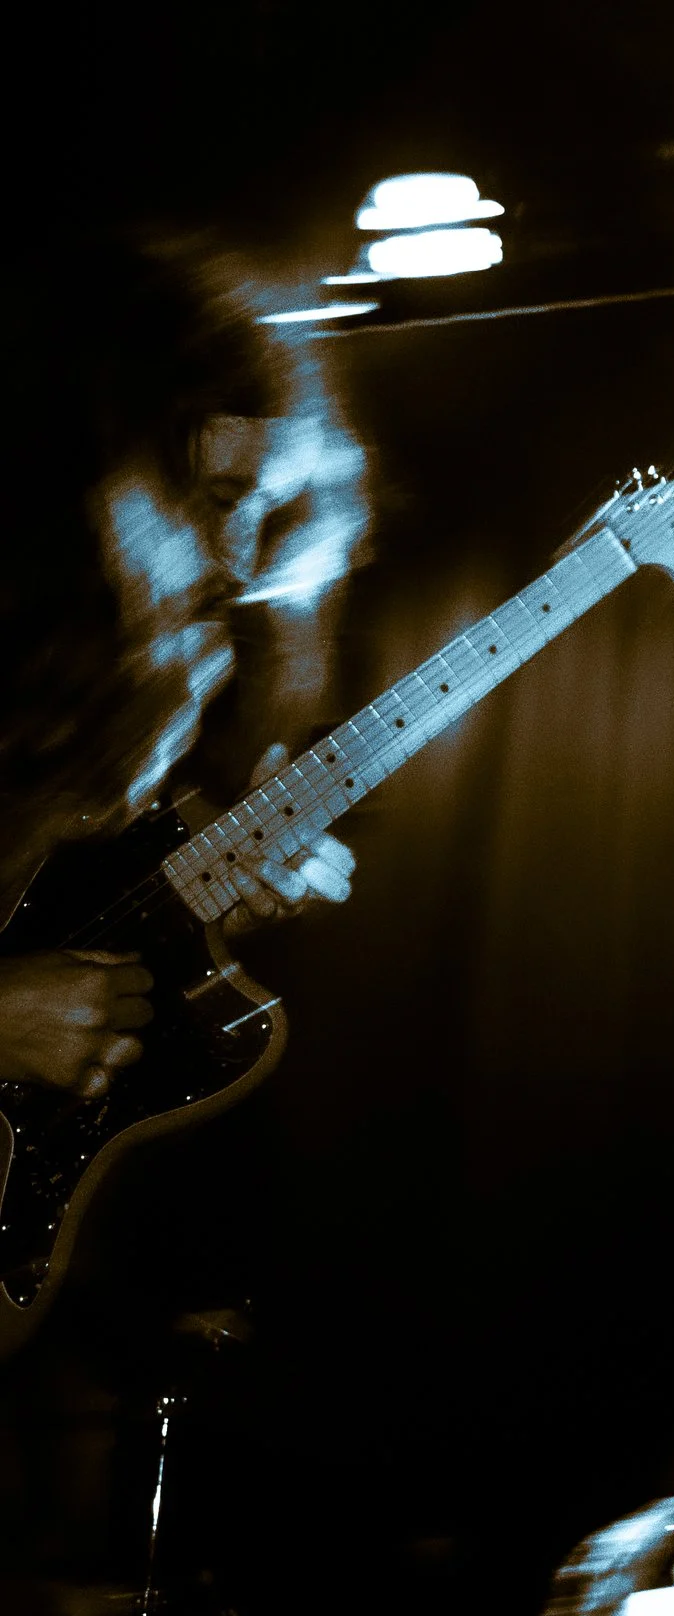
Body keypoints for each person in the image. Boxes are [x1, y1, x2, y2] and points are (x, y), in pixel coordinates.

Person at [0, 239, 363, 1100]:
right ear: (101, 473)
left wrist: (186, 906)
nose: (241, 561)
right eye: (220, 498)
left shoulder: (141, 669)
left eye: (264, 511)